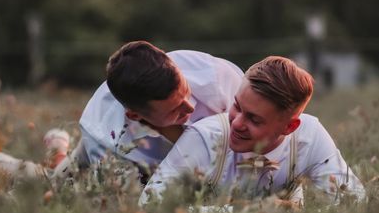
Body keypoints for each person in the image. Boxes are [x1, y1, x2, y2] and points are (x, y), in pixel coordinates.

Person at [139, 56, 365, 206]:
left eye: (254, 119)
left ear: (289, 127)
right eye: (237, 106)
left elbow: (353, 202)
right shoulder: (204, 138)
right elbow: (150, 204)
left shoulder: (309, 135)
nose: (236, 123)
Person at [53, 41, 244, 181]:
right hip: (102, 134)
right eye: (175, 110)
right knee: (57, 180)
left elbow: (256, 115)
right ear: (135, 115)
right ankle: (58, 150)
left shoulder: (215, 76)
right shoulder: (105, 143)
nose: (190, 107)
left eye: (186, 92)